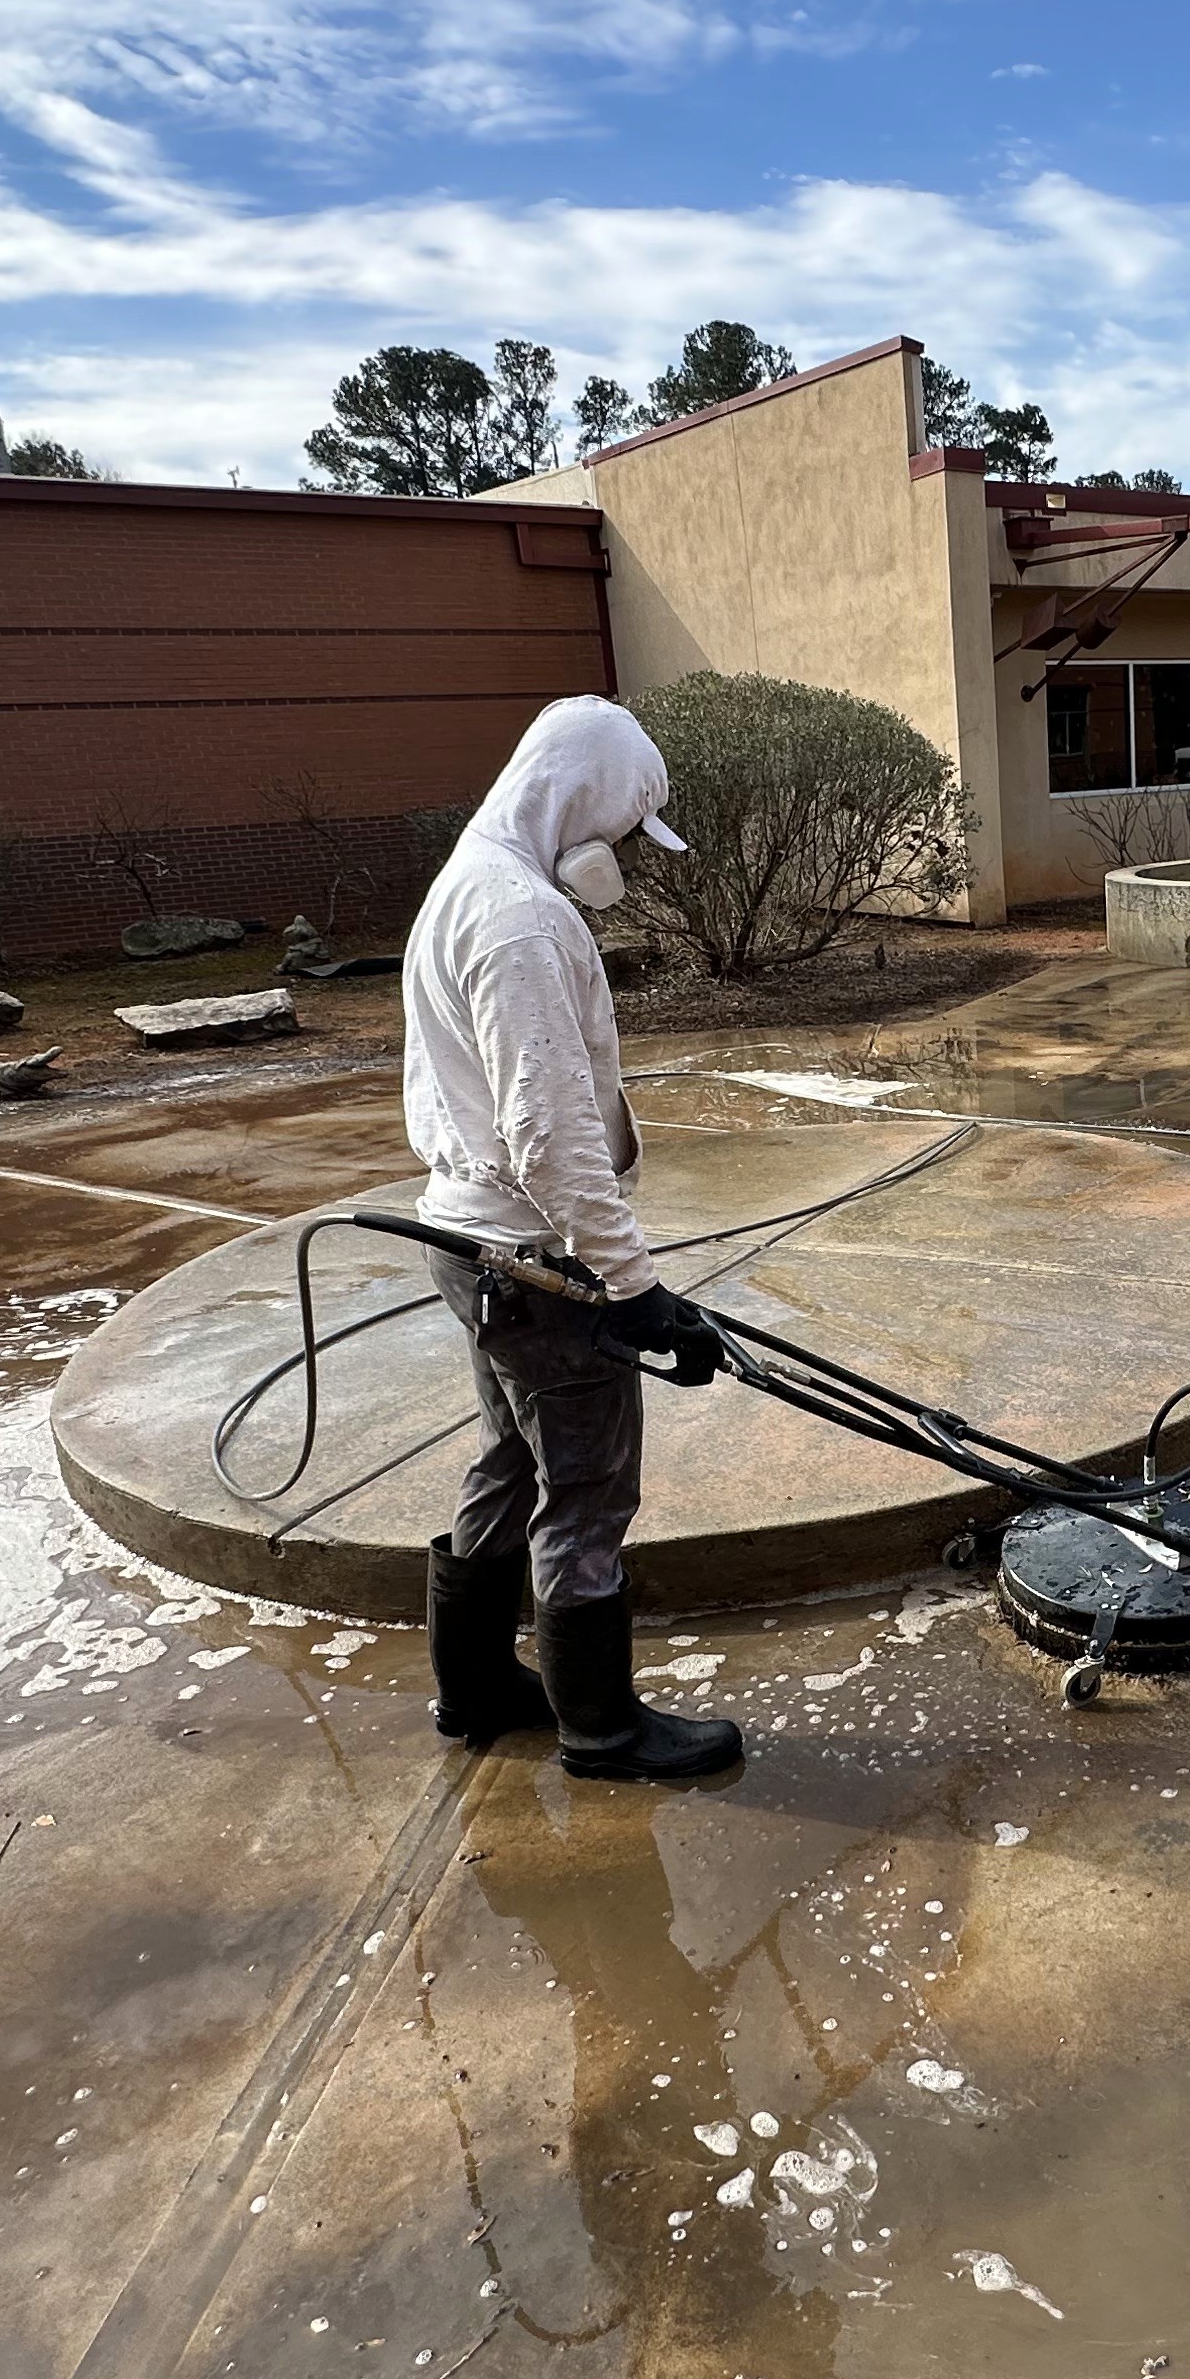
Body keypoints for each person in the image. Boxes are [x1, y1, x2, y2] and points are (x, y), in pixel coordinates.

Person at [401, 694, 742, 1780]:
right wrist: (634, 1287)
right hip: (535, 1261)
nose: (620, 859)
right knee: (589, 1488)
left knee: (513, 1460)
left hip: (474, 1244)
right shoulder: (519, 920)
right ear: (577, 799)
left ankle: (476, 1688)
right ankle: (601, 1724)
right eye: (618, 830)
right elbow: (548, 1137)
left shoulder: (469, 882)